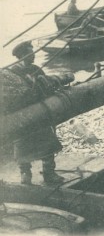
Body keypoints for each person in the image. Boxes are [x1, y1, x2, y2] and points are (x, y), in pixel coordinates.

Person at [9, 41, 71, 185]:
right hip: (23, 116)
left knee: (47, 141)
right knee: (22, 144)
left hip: (40, 113)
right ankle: (25, 174)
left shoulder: (36, 69)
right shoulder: (12, 73)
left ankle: (49, 173)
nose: (34, 56)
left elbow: (47, 86)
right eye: (31, 54)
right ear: (22, 55)